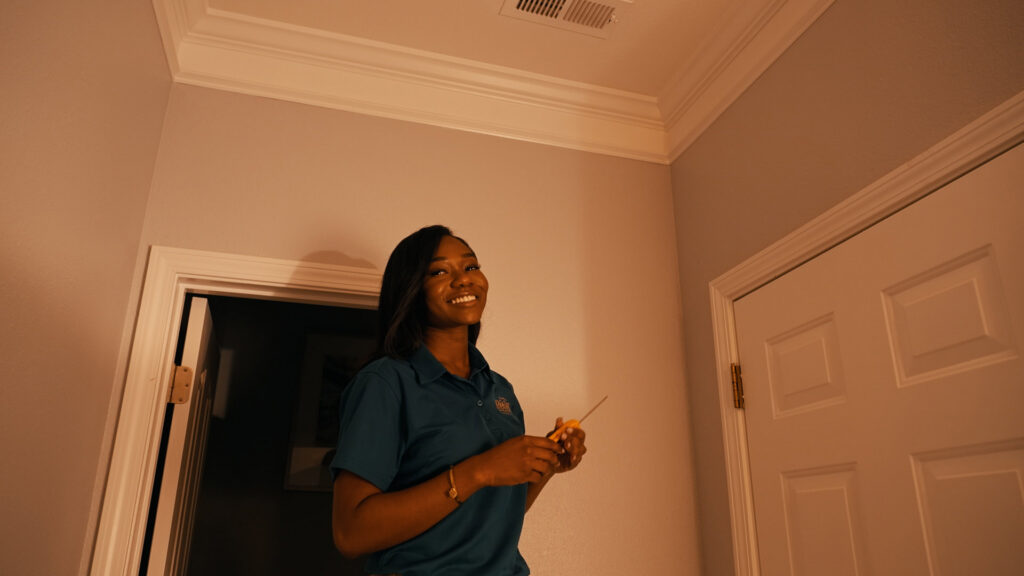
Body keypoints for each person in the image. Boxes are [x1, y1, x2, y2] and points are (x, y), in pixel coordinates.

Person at [330, 225, 588, 576]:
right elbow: (350, 533)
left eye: (470, 267)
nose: (464, 280)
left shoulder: (501, 391)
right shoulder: (385, 383)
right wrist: (480, 470)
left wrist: (544, 466)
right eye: (439, 271)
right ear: (411, 290)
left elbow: (490, 514)